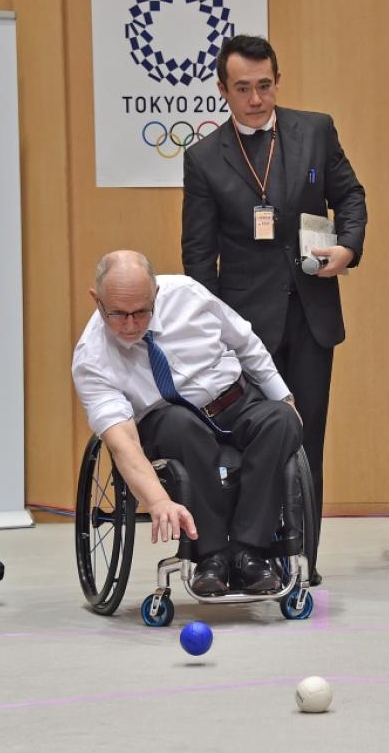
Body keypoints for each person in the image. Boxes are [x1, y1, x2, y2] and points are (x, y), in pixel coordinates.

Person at [181, 34, 368, 580]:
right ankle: (245, 552)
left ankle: (301, 558)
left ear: (277, 82)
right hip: (244, 329)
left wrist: (348, 246)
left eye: (265, 86)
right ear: (223, 90)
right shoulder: (203, 159)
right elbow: (197, 257)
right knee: (249, 440)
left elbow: (350, 195)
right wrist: (212, 331)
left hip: (311, 315)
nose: (256, 99)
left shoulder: (314, 130)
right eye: (243, 89)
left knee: (307, 437)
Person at [72, 250, 303, 597]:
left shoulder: (187, 293)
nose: (131, 325)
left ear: (156, 294)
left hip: (234, 401)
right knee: (181, 425)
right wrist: (157, 501)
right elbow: (123, 444)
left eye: (141, 311)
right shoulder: (92, 358)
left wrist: (284, 397)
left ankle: (248, 552)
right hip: (169, 423)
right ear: (96, 299)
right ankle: (210, 555)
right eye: (117, 314)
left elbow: (245, 342)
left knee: (281, 420)